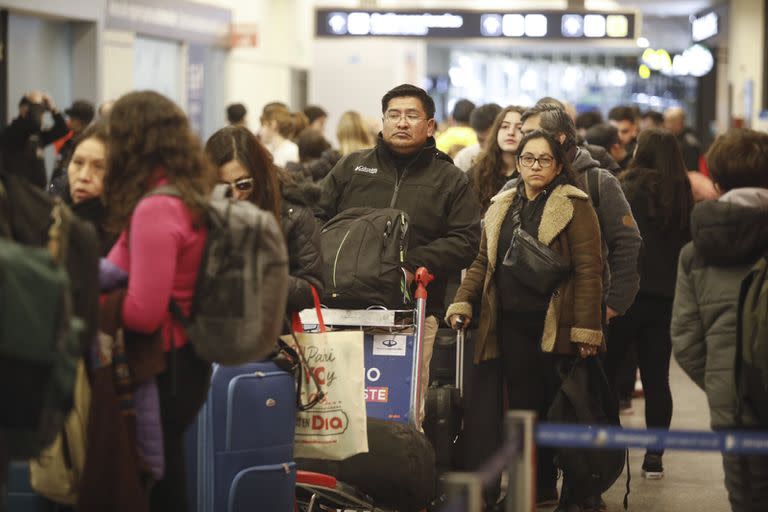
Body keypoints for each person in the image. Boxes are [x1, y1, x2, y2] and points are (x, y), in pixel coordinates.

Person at [447, 129, 604, 512]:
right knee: (522, 412)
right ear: (517, 163)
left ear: (558, 164)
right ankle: (533, 489)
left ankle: (579, 492)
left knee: (562, 411)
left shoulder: (574, 204)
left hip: (557, 325)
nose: (535, 166)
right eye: (528, 159)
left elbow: (589, 270)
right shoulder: (501, 203)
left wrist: (586, 329)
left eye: (544, 159)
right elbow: (483, 263)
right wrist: (463, 302)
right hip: (511, 327)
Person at [317, 83, 481, 425]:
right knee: (336, 404)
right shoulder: (352, 168)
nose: (401, 123)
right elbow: (317, 218)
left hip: (414, 313)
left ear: (431, 125)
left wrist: (411, 265)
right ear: (382, 121)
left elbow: (466, 240)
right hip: (340, 311)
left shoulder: (450, 179)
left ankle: (405, 471)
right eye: (394, 115)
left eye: (411, 115)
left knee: (401, 410)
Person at [512, 104, 641, 510]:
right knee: (533, 406)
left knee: (578, 407)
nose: (523, 139)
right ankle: (541, 483)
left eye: (532, 132)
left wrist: (612, 307)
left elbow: (626, 245)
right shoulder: (516, 184)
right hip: (529, 321)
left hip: (585, 320)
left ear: (561, 140)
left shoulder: (597, 181)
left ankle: (583, 492)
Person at [104, 90, 215, 511]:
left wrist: (95, 297)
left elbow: (144, 313)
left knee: (160, 489)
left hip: (163, 365)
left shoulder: (156, 209)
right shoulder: (186, 196)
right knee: (169, 481)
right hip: (186, 362)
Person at [672, 128, 768, 512]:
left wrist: (721, 382)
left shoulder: (695, 252)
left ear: (715, 180)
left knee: (747, 498)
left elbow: (685, 338)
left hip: (734, 404)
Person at [604, 128, 694, 479]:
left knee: (609, 373)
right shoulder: (683, 192)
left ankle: (611, 449)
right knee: (658, 379)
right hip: (666, 297)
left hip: (627, 295)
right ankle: (654, 457)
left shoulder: (626, 187)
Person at [206, 125, 324, 314]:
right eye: (223, 187)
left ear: (259, 177)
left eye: (244, 185)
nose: (235, 195)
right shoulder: (200, 210)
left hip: (270, 334)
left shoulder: (291, 211)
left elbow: (311, 291)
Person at [63, 121, 115, 254]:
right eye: (78, 163)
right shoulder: (53, 218)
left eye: (99, 167)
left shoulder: (123, 236)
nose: (83, 176)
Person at [0, 91, 69, 189]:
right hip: (17, 194)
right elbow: (33, 124)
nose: (41, 117)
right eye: (38, 112)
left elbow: (63, 130)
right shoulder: (11, 132)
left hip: (37, 193)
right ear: (24, 110)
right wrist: (36, 103)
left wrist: (53, 109)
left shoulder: (37, 135)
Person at [468, 105, 525, 214]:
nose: (511, 132)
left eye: (519, 128)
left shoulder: (532, 174)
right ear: (496, 131)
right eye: (505, 126)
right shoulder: (478, 173)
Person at [49, 99, 96, 197]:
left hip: (69, 196)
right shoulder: (69, 142)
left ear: (81, 121)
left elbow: (66, 175)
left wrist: (54, 193)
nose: (69, 121)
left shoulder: (86, 146)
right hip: (58, 193)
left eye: (72, 119)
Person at [454, 103, 502, 172]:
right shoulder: (466, 157)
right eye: (481, 140)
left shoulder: (515, 158)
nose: (487, 147)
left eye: (492, 141)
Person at [664, 106, 701, 171]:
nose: (667, 125)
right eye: (666, 121)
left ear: (680, 122)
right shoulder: (670, 139)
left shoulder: (689, 143)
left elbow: (690, 169)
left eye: (671, 121)